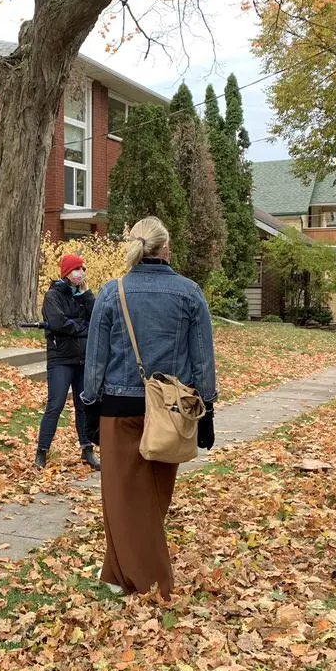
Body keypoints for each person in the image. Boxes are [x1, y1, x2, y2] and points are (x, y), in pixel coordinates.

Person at [81, 217, 216, 597]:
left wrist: (89, 405)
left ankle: (145, 579)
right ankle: (127, 573)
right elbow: (203, 357)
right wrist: (208, 407)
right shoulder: (189, 293)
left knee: (122, 499)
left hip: (118, 406)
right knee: (155, 497)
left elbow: (96, 358)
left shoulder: (112, 292)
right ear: (166, 247)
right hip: (171, 409)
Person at [35, 253, 99, 471]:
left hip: (82, 359)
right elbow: (58, 323)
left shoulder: (82, 295)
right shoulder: (53, 296)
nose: (80, 273)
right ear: (65, 273)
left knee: (84, 406)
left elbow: (98, 316)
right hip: (60, 359)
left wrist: (87, 294)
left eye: (82, 268)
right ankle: (42, 450)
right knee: (55, 405)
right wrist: (83, 328)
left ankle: (87, 449)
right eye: (75, 269)